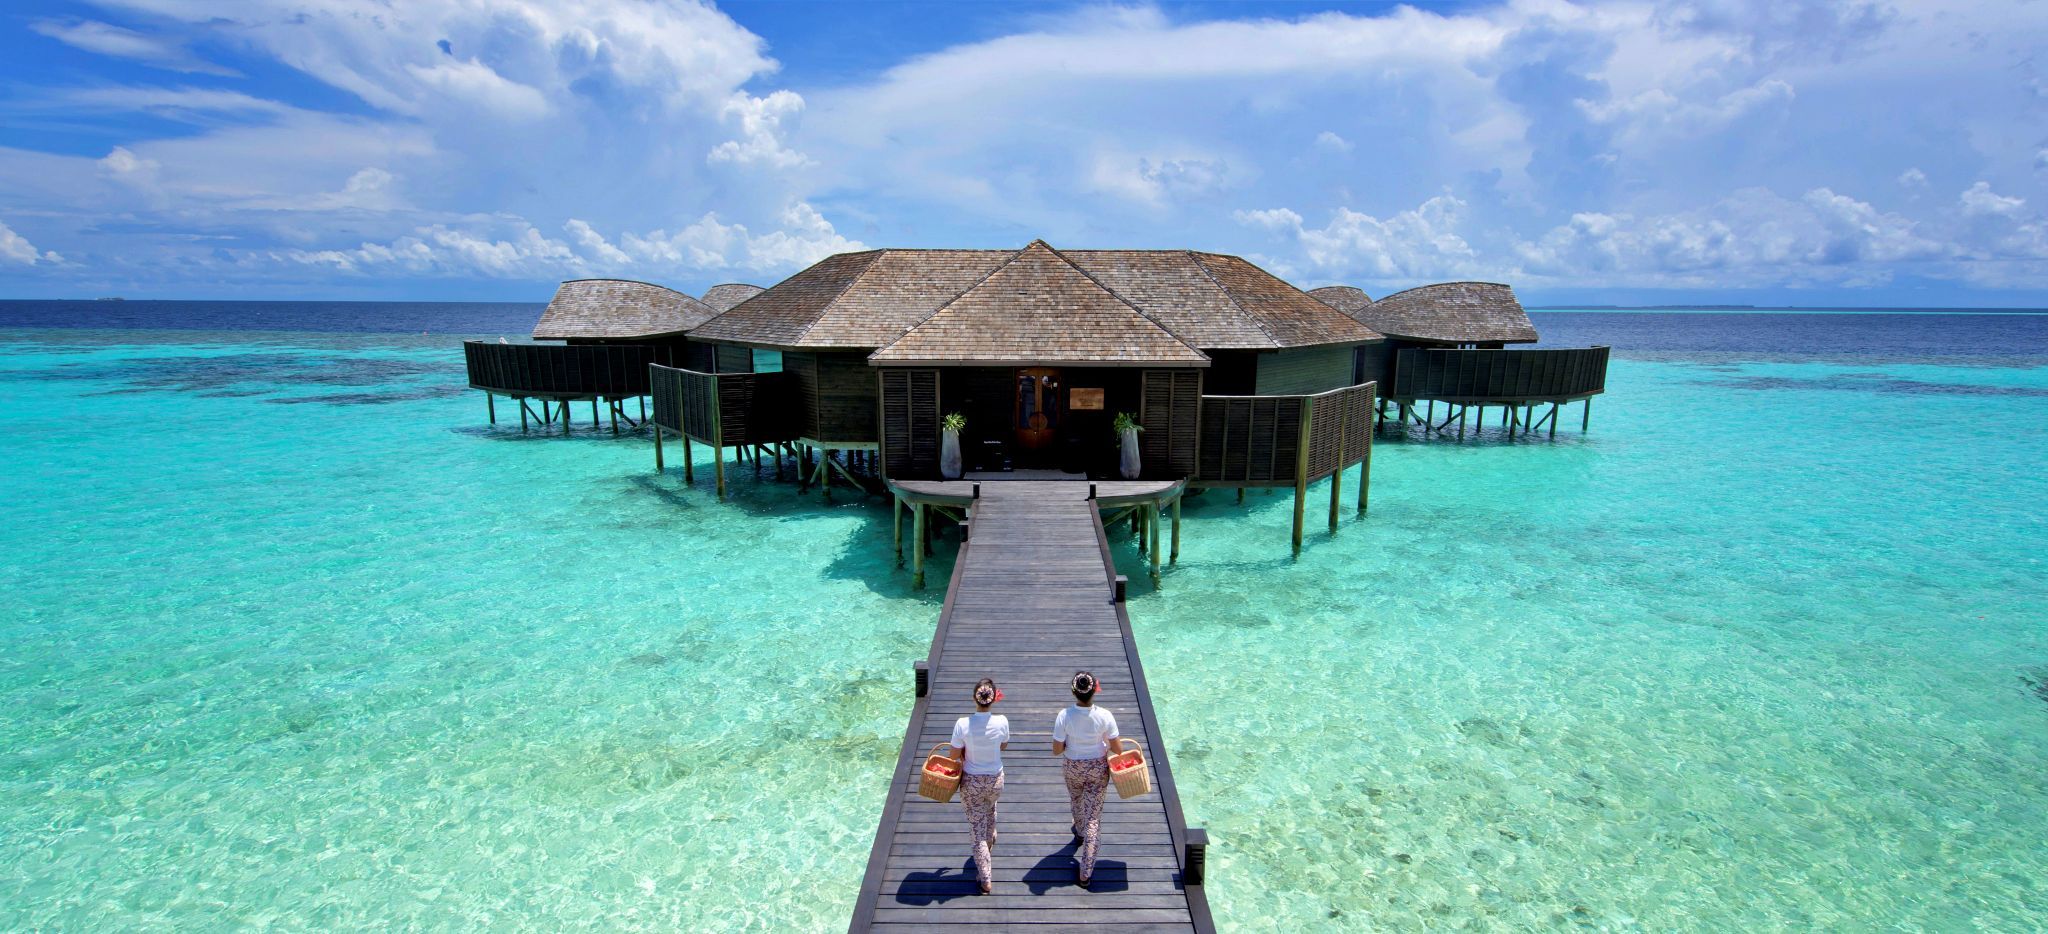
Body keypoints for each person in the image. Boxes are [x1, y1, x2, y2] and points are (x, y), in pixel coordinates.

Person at [1051, 670, 1120, 888]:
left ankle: (1079, 831)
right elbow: (1116, 748)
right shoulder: (1105, 716)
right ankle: (1086, 872)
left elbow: (1056, 749)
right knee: (1094, 818)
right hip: (1097, 767)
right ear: (1094, 690)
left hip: (1072, 765)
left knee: (1076, 799)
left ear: (1074, 692)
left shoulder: (1064, 716)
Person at [952, 678, 1010, 894]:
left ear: (974, 698)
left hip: (972, 781)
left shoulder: (962, 724)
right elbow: (1003, 744)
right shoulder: (1002, 721)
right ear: (993, 698)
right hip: (995, 780)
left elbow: (953, 754)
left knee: (976, 831)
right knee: (990, 806)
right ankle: (991, 836)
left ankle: (985, 878)